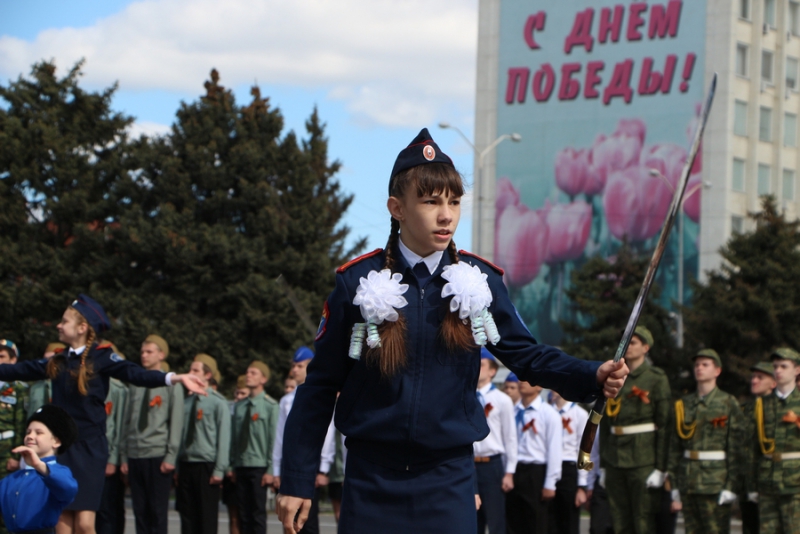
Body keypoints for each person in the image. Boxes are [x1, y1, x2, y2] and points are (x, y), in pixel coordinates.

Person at [276, 129, 628, 534]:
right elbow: (319, 386)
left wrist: (590, 375)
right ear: (397, 208)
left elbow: (526, 356)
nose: (447, 215)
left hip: (449, 480)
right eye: (430, 202)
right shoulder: (356, 282)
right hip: (370, 480)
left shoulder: (480, 282)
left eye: (454, 202)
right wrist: (297, 480)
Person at [0, 295, 206, 534]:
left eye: (64, 321)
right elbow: (19, 369)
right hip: (63, 449)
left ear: (82, 327)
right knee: (62, 523)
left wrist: (174, 377)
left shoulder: (102, 357)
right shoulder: (58, 360)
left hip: (90, 449)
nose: (59, 325)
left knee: (86, 524)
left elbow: (135, 374)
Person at [599, 326, 670, 534]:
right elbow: (604, 423)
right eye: (625, 342)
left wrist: (661, 468)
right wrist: (603, 465)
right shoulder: (614, 376)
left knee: (643, 519)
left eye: (633, 342)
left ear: (646, 347)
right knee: (619, 518)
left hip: (643, 458)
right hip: (614, 458)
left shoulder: (656, 378)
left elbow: (665, 426)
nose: (627, 346)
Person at [667, 349, 744, 534]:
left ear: (717, 371)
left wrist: (732, 486)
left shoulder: (727, 402)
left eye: (705, 364)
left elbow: (737, 448)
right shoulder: (684, 404)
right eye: (697, 365)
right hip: (689, 482)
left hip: (715, 483)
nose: (699, 368)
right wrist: (675, 485)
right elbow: (675, 448)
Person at [119, 334, 184, 534]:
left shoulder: (171, 383)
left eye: (149, 352)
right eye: (142, 352)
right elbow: (126, 421)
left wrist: (171, 456)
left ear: (161, 355)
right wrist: (124, 455)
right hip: (136, 453)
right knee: (140, 511)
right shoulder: (135, 383)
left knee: (157, 513)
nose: (144, 356)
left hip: (157, 454)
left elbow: (176, 422)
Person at [0, 404, 79, 534]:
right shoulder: (13, 478)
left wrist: (39, 465)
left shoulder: (57, 472)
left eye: (39, 432)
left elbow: (68, 488)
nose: (30, 436)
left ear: (56, 442)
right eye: (28, 432)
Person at [177, 354, 231, 534]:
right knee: (187, 517)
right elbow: (181, 435)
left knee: (206, 518)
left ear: (207, 375)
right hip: (186, 463)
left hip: (206, 467)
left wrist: (219, 469)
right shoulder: (185, 402)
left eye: (195, 370)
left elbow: (224, 438)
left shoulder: (218, 403)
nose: (190, 373)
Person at [749, 347, 800, 534]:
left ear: (797, 370)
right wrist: (752, 485)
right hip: (768, 482)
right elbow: (754, 448)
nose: (778, 371)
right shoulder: (762, 405)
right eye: (776, 367)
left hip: (796, 485)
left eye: (783, 366)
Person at [230, 361, 279, 534]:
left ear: (263, 379)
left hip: (259, 467)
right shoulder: (240, 406)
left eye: (253, 373)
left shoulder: (270, 406)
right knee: (243, 513)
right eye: (247, 372)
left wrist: (271, 469)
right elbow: (234, 439)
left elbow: (274, 440)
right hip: (241, 464)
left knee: (257, 513)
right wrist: (232, 465)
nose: (248, 375)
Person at [506, 381, 562, 534]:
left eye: (527, 380)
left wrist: (550, 482)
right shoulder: (513, 411)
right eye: (520, 379)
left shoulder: (549, 414)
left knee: (535, 521)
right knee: (513, 521)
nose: (521, 383)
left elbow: (555, 450)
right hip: (514, 469)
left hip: (536, 472)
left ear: (539, 386)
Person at [473, 348, 517, 534]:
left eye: (482, 364)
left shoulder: (502, 400)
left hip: (492, 465)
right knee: (472, 521)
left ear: (492, 371)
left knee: (495, 520)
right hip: (469, 464)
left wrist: (509, 471)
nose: (477, 368)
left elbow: (510, 437)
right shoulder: (466, 397)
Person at [739, 361, 776, 534]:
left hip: (769, 481)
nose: (754, 381)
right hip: (745, 482)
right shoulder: (744, 409)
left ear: (773, 383)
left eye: (760, 377)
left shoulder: (777, 409)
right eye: (753, 377)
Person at [95, 347, 128, 534]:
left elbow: (121, 426)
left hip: (108, 457)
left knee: (109, 509)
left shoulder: (118, 389)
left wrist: (114, 459)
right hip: (90, 455)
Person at [549, 390, 589, 534]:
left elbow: (584, 450)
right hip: (548, 467)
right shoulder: (548, 411)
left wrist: (582, 485)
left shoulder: (580, 414)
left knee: (569, 520)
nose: (552, 391)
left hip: (569, 468)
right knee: (549, 519)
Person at [223, 375, 249, 534]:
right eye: (237, 394)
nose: (239, 397)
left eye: (243, 394)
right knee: (233, 516)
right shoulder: (228, 410)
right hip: (231, 469)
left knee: (248, 516)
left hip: (247, 467)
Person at [28, 343, 66, 417]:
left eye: (53, 359)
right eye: (46, 359)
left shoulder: (70, 385)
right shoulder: (35, 386)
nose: (48, 363)